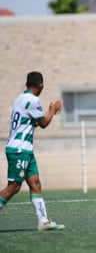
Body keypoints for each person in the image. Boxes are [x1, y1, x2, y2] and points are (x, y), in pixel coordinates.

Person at [0, 71, 65, 230]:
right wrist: (52, 110)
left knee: (35, 184)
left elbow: (31, 123)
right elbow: (43, 123)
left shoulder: (20, 99)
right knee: (14, 187)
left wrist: (48, 113)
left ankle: (43, 222)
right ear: (41, 84)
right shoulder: (33, 100)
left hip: (25, 150)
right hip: (19, 150)